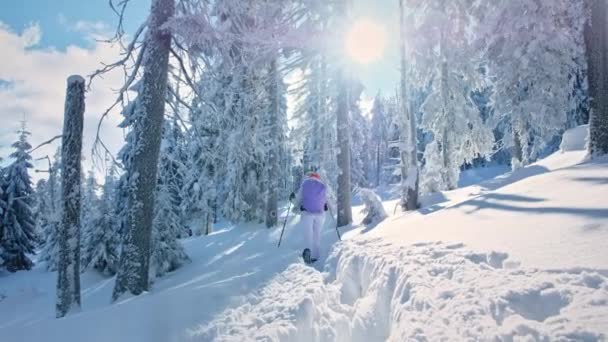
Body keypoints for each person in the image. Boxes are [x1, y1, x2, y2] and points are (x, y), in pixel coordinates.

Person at [290, 171, 328, 264]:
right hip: (320, 214)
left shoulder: (305, 184)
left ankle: (308, 253)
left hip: (307, 213)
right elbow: (326, 200)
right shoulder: (322, 185)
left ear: (309, 177)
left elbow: (299, 199)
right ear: (318, 177)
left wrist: (293, 200)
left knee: (308, 234)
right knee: (317, 235)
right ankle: (316, 257)